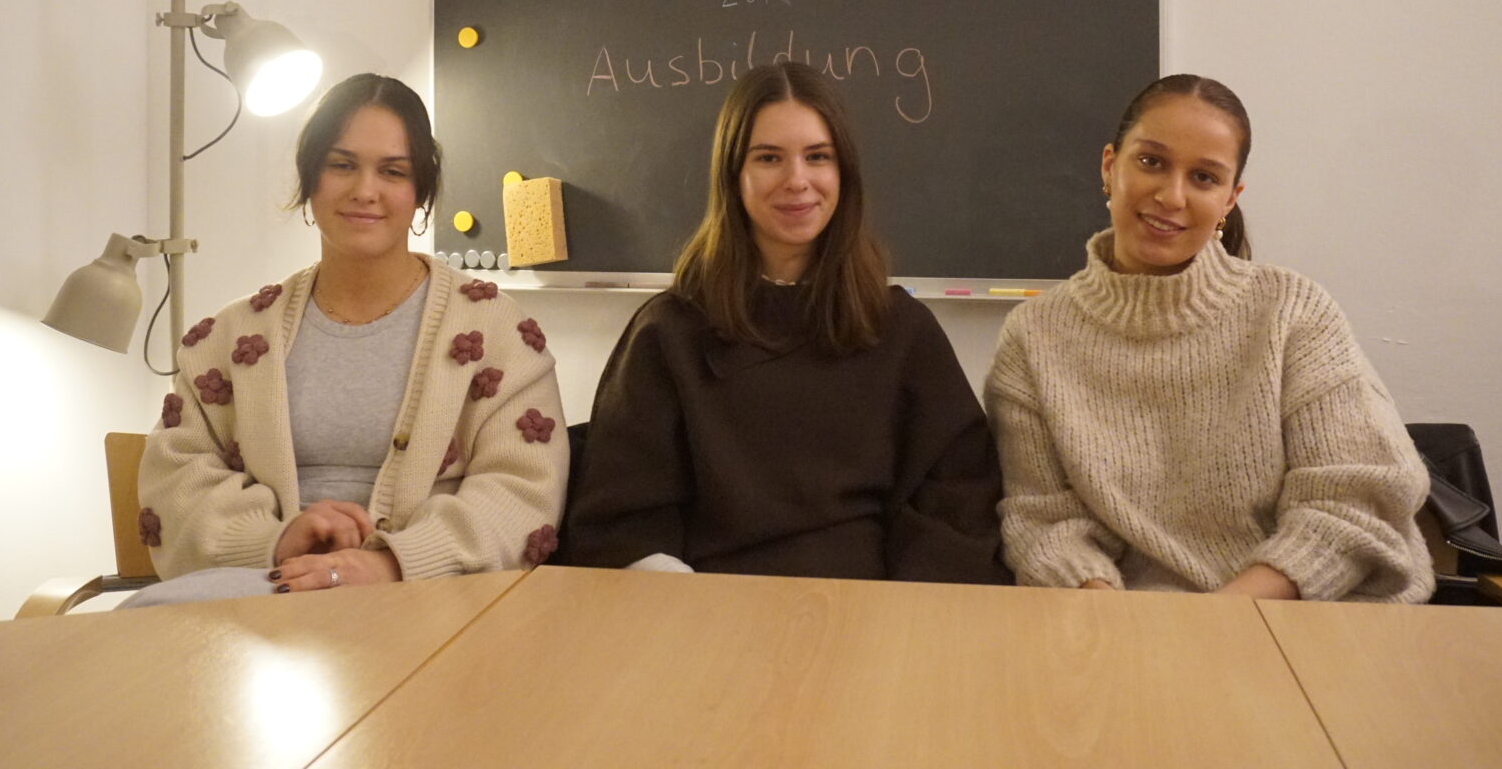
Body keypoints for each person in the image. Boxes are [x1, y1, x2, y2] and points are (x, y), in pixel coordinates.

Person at [984, 74, 1432, 601]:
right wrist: (1111, 618)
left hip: (1309, 616)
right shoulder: (1034, 336)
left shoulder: (1292, 312)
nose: (1171, 196)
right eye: (1151, 162)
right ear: (1109, 166)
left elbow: (1353, 502)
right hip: (1124, 625)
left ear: (1229, 199)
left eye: (1203, 177)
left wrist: (1213, 625)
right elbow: (1043, 522)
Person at [131, 73, 568, 605]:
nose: (365, 190)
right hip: (263, 592)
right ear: (309, 178)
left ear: (420, 192)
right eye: (341, 165)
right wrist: (275, 540)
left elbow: (522, 492)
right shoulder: (231, 338)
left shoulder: (497, 334)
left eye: (393, 171)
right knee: (140, 621)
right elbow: (177, 479)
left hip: (432, 601)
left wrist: (392, 565)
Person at [567, 63, 1008, 583]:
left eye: (817, 156)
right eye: (769, 158)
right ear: (734, 176)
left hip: (874, 607)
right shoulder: (668, 332)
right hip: (712, 605)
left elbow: (958, 497)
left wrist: (902, 609)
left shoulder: (902, 329)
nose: (797, 181)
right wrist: (694, 608)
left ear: (843, 173)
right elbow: (622, 520)